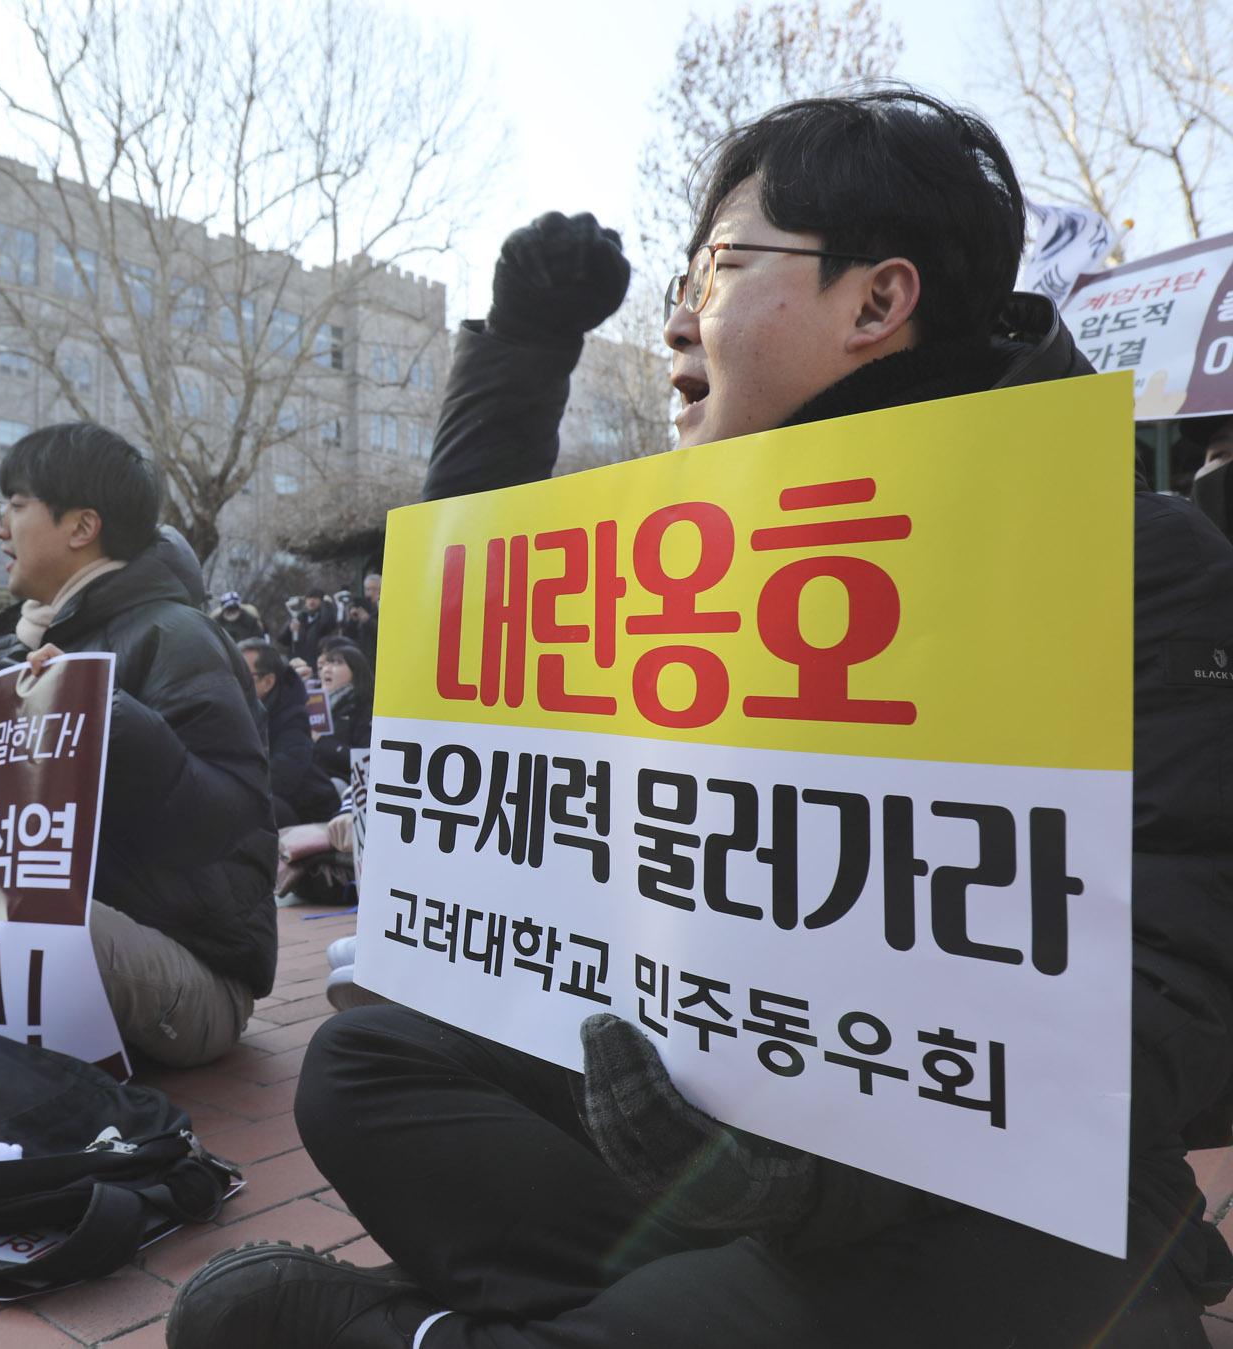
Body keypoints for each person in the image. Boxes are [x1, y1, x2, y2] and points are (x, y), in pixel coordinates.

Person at [168, 88, 1233, 1349]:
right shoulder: (685, 557)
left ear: (875, 302)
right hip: (703, 1125)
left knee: (1056, 1270)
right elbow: (467, 641)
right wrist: (520, 350)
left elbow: (1178, 995)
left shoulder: (1120, 560)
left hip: (974, 1194)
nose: (676, 317)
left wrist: (822, 1159)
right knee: (370, 1063)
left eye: (718, 268)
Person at [0, 422, 275, 1068]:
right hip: (70, 932)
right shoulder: (16, 650)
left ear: (81, 526)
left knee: (18, 928)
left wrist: (109, 718)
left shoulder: (177, 636)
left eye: (14, 505)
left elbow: (232, 816)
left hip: (194, 968)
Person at [240, 637, 339, 828]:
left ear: (268, 682)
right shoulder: (237, 710)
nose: (233, 680)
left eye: (241, 674)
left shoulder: (292, 717)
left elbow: (282, 777)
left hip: (308, 813)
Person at [309, 641, 372, 782]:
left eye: (337, 663)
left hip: (341, 782)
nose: (327, 669)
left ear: (356, 671)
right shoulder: (310, 702)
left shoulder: (364, 709)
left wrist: (322, 742)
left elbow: (365, 760)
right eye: (326, 663)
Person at [277, 587, 337, 666]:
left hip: (317, 663)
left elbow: (327, 624)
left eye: (315, 598)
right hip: (299, 664)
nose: (311, 601)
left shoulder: (324, 617)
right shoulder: (299, 617)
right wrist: (289, 630)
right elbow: (282, 640)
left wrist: (327, 604)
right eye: (309, 598)